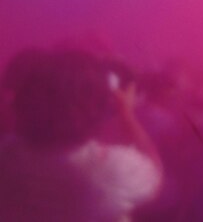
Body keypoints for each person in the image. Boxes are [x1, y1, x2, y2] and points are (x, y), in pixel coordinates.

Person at [0, 48, 162, 222]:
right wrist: (126, 114)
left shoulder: (7, 154)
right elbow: (153, 172)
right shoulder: (108, 171)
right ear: (97, 105)